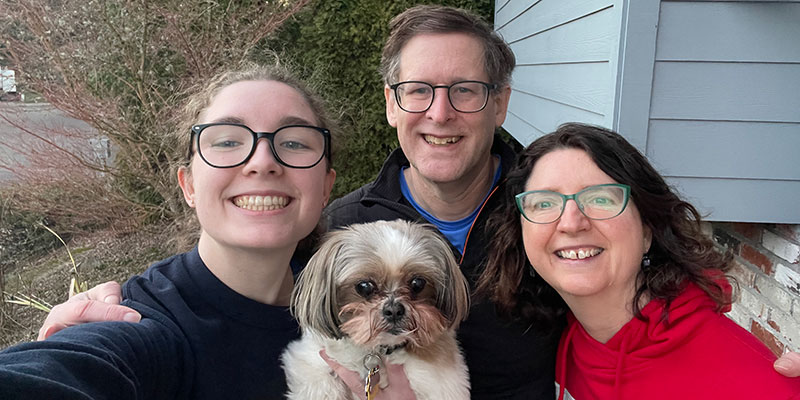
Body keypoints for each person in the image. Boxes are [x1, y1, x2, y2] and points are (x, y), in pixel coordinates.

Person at [31, 4, 800, 399]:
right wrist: (113, 304)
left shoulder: (543, 207)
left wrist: (768, 366)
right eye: (419, 90)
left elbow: (647, 276)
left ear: (500, 103)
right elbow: (227, 275)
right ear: (391, 103)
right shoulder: (332, 229)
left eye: (466, 90)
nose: (441, 112)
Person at [0, 63, 337, 399]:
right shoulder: (145, 323)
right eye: (227, 141)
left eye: (294, 143)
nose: (263, 162)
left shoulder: (351, 298)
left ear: (325, 187)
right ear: (188, 185)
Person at [483, 122, 800, 399]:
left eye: (601, 198)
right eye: (544, 203)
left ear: (648, 230)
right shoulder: (549, 343)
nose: (571, 223)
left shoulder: (749, 383)